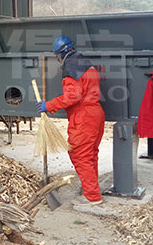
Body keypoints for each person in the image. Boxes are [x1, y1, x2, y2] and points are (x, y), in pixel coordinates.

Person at [36, 36, 106, 205]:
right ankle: (91, 189)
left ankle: (92, 197)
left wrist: (49, 105)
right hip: (96, 113)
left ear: (60, 54)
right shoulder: (86, 63)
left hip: (84, 117)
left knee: (80, 155)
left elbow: (72, 97)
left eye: (57, 57)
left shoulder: (70, 68)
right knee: (90, 154)